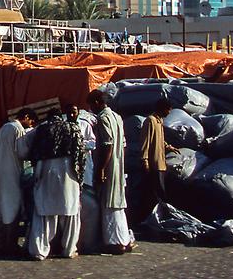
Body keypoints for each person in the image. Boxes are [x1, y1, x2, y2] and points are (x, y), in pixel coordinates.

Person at [25, 108, 86, 260]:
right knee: (71, 213)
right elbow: (80, 154)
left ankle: (39, 250)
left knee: (44, 212)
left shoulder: (42, 129)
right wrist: (80, 178)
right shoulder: (72, 128)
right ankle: (69, 249)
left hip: (46, 170)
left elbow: (33, 153)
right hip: (68, 171)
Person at [87, 90, 135, 254]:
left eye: (92, 105)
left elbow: (107, 144)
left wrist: (101, 168)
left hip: (109, 165)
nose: (91, 109)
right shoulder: (117, 117)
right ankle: (124, 239)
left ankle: (115, 242)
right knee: (118, 203)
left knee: (109, 203)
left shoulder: (103, 118)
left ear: (97, 102)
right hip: (118, 163)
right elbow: (121, 144)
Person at [0, 107, 37, 257]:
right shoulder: (18, 129)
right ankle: (10, 245)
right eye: (31, 122)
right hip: (11, 174)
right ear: (26, 117)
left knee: (1, 211)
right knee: (12, 210)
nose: (30, 125)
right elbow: (22, 152)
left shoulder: (5, 127)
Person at [139, 98, 176, 221]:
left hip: (161, 164)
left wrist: (169, 147)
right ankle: (153, 219)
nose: (169, 112)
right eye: (168, 110)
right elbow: (145, 142)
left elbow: (160, 140)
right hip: (154, 164)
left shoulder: (159, 122)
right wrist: (145, 161)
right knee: (156, 194)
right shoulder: (150, 121)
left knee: (160, 192)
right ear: (162, 108)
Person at [66, 104, 96, 187]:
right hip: (69, 162)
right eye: (69, 113)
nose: (71, 115)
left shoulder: (84, 125)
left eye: (74, 112)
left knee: (87, 187)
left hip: (85, 161)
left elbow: (93, 143)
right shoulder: (63, 127)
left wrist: (79, 144)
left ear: (78, 112)